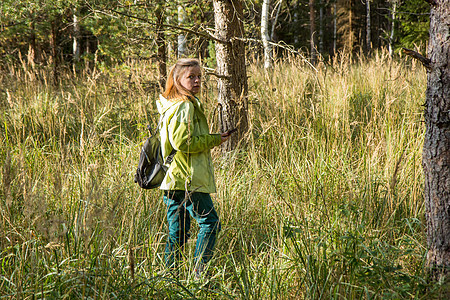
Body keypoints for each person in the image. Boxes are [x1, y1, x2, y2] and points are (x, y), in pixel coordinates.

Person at [156, 58, 230, 278]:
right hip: (188, 179)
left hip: (172, 180)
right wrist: (213, 139)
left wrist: (213, 138)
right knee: (210, 223)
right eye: (191, 77)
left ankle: (171, 279)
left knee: (177, 234)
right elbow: (183, 143)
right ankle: (200, 274)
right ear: (178, 80)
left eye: (199, 77)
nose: (197, 81)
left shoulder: (174, 104)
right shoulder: (184, 106)